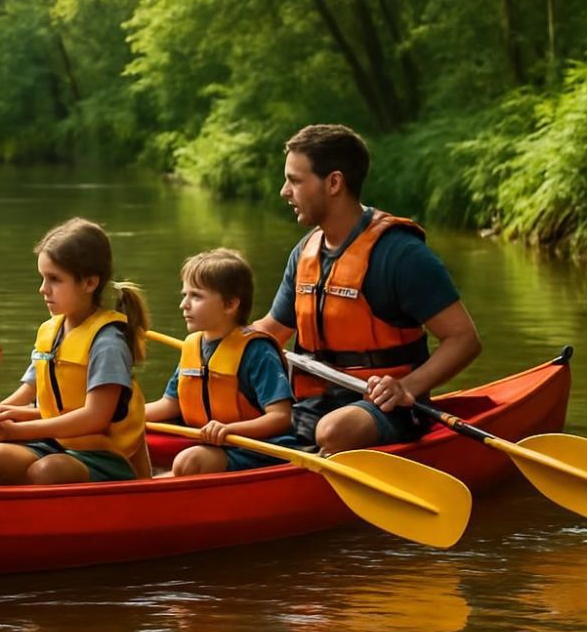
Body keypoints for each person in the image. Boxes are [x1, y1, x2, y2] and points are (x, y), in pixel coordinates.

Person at [249, 124, 481, 454]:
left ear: (333, 183)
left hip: (389, 409)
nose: (284, 191)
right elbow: (271, 331)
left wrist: (405, 388)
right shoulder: (305, 253)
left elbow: (464, 339)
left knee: (332, 430)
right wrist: (217, 344)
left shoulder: (401, 254)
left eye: (295, 180)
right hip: (313, 405)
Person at [0, 218, 150, 484]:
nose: (43, 289)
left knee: (47, 471)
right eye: (42, 278)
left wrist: (17, 432)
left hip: (105, 454)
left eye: (54, 279)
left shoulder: (107, 342)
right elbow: (24, 396)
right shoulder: (50, 332)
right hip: (57, 442)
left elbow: (94, 417)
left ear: (89, 283)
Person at [144, 248, 298, 475]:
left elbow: (281, 417)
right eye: (184, 294)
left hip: (256, 449)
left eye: (196, 296)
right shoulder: (193, 346)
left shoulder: (257, 351)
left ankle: (157, 490)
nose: (184, 304)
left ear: (230, 305)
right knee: (129, 440)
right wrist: (125, 417)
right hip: (208, 441)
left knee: (190, 461)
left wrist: (228, 430)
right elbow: (170, 404)